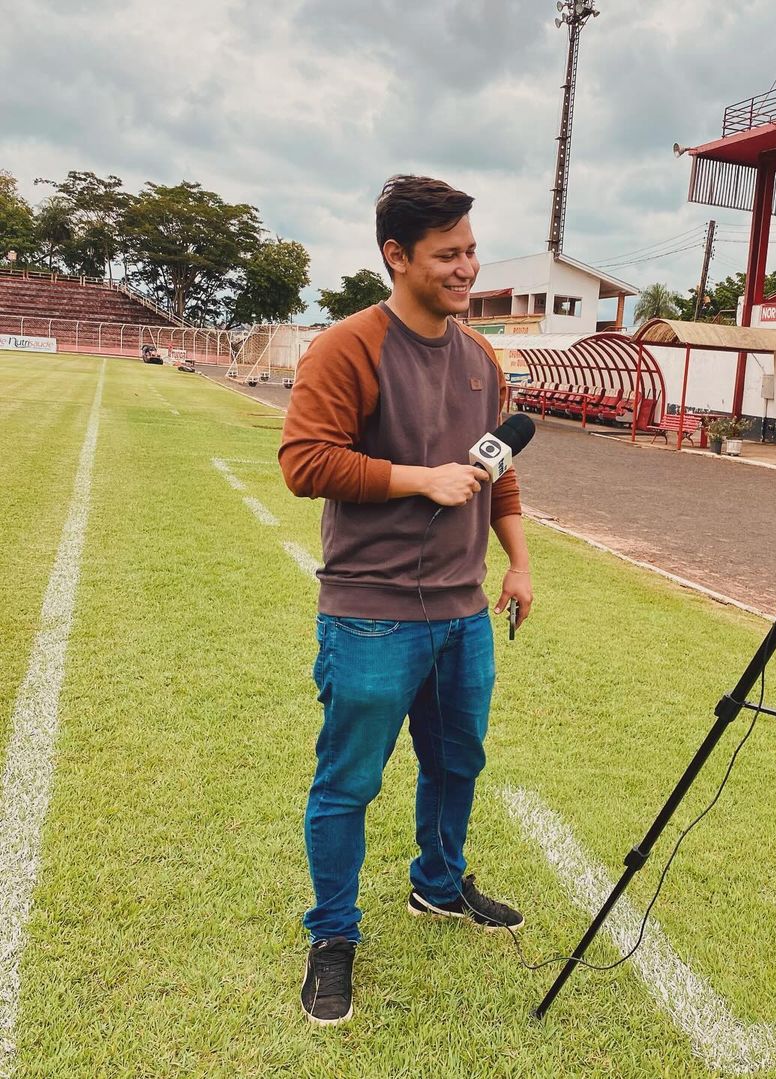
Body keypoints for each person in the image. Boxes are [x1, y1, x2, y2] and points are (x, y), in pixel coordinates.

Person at [279, 175, 533, 1025]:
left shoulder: (481, 357)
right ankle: (333, 936)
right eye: (448, 254)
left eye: (471, 250)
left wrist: (518, 565)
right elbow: (304, 462)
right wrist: (415, 477)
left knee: (457, 762)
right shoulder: (346, 348)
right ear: (396, 256)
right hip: (370, 612)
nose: (467, 268)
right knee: (349, 782)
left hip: (463, 615)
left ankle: (437, 884)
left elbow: (500, 470)